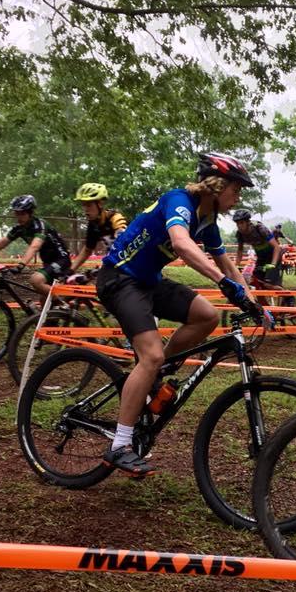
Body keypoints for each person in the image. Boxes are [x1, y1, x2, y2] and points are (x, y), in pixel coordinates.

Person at [95, 151, 266, 477]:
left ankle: (157, 374)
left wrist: (252, 301)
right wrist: (223, 283)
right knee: (150, 355)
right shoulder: (179, 201)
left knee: (207, 315)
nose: (237, 198)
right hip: (118, 278)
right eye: (236, 190)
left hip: (147, 281)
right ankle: (119, 445)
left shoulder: (208, 220)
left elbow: (226, 263)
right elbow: (183, 245)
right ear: (216, 186)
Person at [0, 196, 71, 298]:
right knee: (44, 302)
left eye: (22, 214)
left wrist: (21, 265)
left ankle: (66, 303)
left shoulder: (40, 225)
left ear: (30, 213)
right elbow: (3, 242)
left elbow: (35, 246)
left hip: (61, 260)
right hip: (48, 262)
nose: (19, 217)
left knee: (36, 280)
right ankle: (61, 308)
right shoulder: (19, 228)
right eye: (17, 213)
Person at [69, 183, 127, 273]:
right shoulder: (93, 225)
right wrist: (70, 270)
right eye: (83, 205)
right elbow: (87, 250)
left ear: (100, 204)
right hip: (115, 261)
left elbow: (122, 237)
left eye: (88, 205)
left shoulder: (115, 217)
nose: (85, 209)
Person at [234, 210, 282, 284]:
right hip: (261, 257)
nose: (239, 226)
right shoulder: (239, 234)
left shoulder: (260, 228)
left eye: (241, 223)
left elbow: (277, 247)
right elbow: (240, 251)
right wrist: (236, 266)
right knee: (257, 282)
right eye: (237, 224)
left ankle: (290, 295)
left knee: (269, 284)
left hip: (273, 255)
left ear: (248, 222)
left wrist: (273, 264)